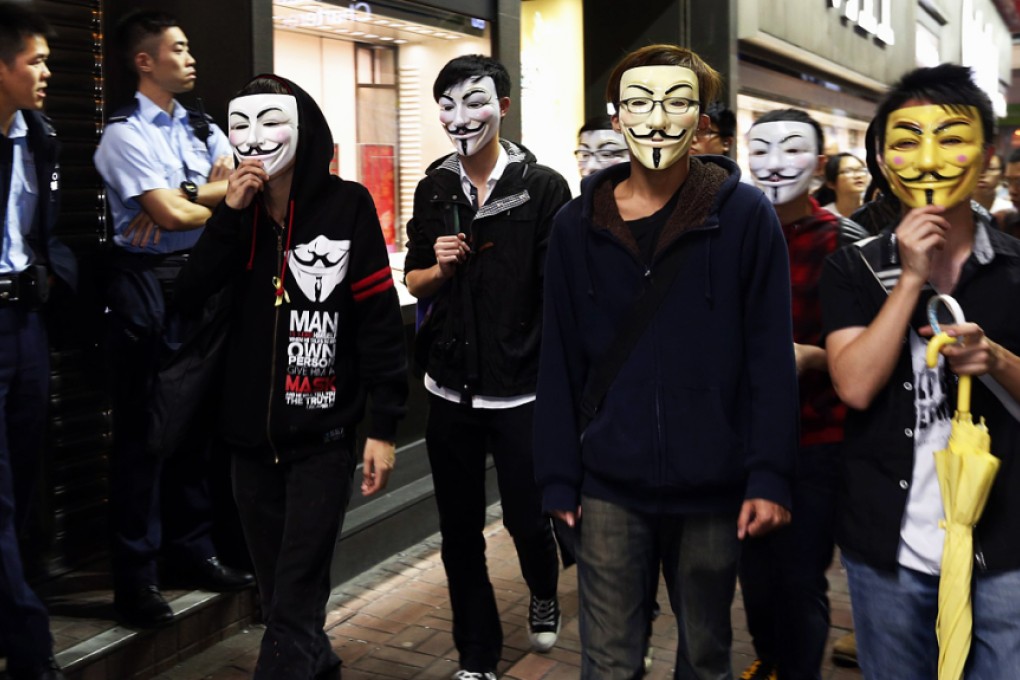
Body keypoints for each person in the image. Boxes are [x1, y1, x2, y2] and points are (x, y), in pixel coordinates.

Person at [534, 44, 798, 679]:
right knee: (608, 659)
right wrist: (557, 475)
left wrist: (769, 473)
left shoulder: (745, 218)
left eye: (678, 103)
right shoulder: (576, 226)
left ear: (702, 119)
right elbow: (559, 359)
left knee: (706, 654)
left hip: (714, 484)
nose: (658, 120)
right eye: (640, 103)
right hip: (607, 485)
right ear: (616, 115)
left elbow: (769, 354)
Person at [175, 73, 408, 680]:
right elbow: (190, 292)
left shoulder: (346, 204)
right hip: (247, 443)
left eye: (271, 122)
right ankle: (319, 664)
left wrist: (382, 426)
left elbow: (380, 320)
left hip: (323, 439)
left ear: (303, 129)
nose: (256, 138)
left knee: (292, 602)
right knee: (283, 594)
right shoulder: (238, 217)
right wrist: (229, 211)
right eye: (243, 125)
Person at [820, 63, 1020, 679]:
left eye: (952, 138)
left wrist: (1000, 361)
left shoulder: (1015, 266)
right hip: (888, 547)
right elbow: (853, 385)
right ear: (881, 158)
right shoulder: (853, 268)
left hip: (1005, 546)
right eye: (906, 141)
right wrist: (909, 278)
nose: (928, 159)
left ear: (987, 156)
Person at [403, 54, 570, 680]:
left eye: (473, 102)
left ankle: (543, 586)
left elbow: (558, 295)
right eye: (446, 104)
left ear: (502, 106)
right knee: (459, 532)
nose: (458, 117)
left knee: (529, 520)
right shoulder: (433, 186)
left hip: (521, 392)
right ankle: (477, 654)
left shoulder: (544, 186)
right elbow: (415, 281)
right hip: (448, 390)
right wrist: (439, 269)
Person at [93, 9, 252, 629]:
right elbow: (170, 216)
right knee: (145, 438)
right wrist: (207, 194)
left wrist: (190, 194)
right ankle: (136, 579)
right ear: (144, 60)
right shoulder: (123, 135)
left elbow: (248, 188)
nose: (190, 59)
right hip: (149, 288)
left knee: (198, 429)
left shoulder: (203, 124)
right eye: (178, 49)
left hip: (205, 281)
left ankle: (192, 552)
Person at [741, 109, 867, 680]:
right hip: (738, 441)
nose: (773, 163)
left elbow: (868, 357)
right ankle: (772, 661)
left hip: (816, 438)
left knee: (798, 579)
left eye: (791, 150)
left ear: (819, 165)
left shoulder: (846, 243)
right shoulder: (729, 232)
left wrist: (808, 357)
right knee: (755, 578)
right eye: (760, 149)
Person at [0, 3, 75, 678]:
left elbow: (39, 232)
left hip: (25, 322)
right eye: (36, 60)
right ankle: (30, 649)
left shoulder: (41, 134)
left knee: (26, 476)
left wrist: (56, 275)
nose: (48, 71)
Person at [813, 152, 868, 218]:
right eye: (848, 171)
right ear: (831, 184)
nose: (858, 175)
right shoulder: (823, 217)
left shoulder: (873, 212)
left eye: (861, 170)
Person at [972, 152, 1011, 219]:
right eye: (977, 168)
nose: (982, 174)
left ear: (1002, 175)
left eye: (990, 168)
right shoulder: (956, 209)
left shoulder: (1008, 210)